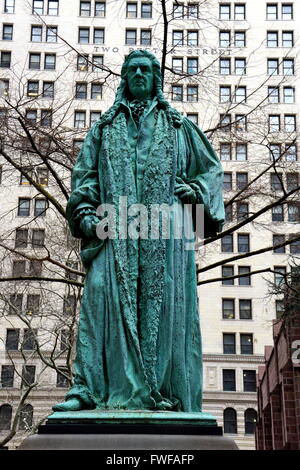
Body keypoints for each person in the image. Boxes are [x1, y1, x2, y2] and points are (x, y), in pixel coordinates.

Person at [53, 50, 224, 412]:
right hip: (113, 232)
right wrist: (85, 216)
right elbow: (85, 180)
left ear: (156, 78)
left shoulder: (179, 126)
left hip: (170, 233)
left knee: (165, 311)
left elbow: (209, 174)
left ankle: (166, 393)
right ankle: (88, 389)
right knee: (98, 299)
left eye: (146, 69)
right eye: (133, 69)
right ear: (124, 78)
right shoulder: (104, 127)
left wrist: (196, 195)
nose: (140, 74)